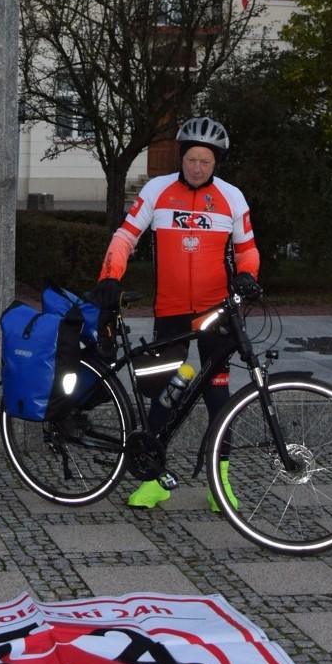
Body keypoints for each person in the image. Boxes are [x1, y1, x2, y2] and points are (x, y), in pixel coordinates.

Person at [93, 117, 261, 512]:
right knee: (164, 393)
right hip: (170, 313)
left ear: (216, 162)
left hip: (215, 313)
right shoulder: (156, 190)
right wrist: (110, 275)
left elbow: (247, 249)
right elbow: (126, 235)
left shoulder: (232, 198)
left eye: (205, 161)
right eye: (190, 159)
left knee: (219, 395)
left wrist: (249, 276)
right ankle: (153, 480)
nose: (197, 167)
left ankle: (220, 486)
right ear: (181, 157)